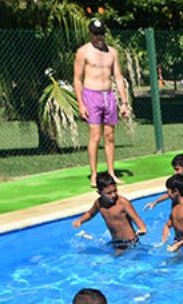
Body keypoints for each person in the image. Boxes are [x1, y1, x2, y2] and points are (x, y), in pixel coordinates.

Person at [73, 19, 130, 188]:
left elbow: (118, 77)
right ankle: (95, 174)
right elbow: (77, 79)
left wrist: (124, 102)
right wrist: (81, 104)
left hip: (108, 95)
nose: (99, 37)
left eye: (101, 33)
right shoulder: (83, 52)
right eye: (95, 34)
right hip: (91, 95)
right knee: (95, 136)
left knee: (110, 136)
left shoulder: (112, 52)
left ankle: (111, 172)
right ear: (90, 33)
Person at [72, 172, 146, 250]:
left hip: (130, 242)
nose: (113, 195)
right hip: (116, 242)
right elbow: (90, 213)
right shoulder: (99, 203)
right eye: (109, 193)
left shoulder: (122, 202)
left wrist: (142, 228)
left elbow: (136, 218)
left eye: (115, 191)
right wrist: (80, 221)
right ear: (99, 193)